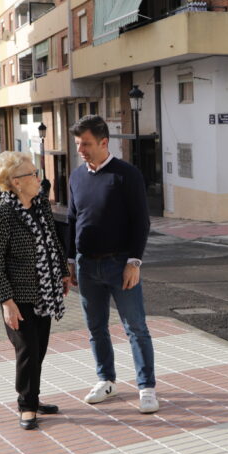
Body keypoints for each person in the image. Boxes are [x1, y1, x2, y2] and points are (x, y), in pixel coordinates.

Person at [66, 114, 158, 413]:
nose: (81, 149)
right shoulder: (77, 176)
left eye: (87, 144)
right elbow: (71, 220)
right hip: (85, 265)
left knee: (136, 327)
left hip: (120, 264)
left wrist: (134, 262)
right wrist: (69, 260)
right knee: (96, 328)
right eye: (78, 143)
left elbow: (140, 222)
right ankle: (106, 380)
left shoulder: (126, 174)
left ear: (104, 142)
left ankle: (146, 387)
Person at [0, 151, 69, 430]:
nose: (38, 178)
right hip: (18, 298)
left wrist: (63, 273)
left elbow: (52, 240)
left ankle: (33, 395)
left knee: (39, 349)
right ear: (16, 182)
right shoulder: (2, 214)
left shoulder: (41, 204)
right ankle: (27, 406)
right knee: (28, 350)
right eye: (33, 174)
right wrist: (6, 301)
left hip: (44, 292)